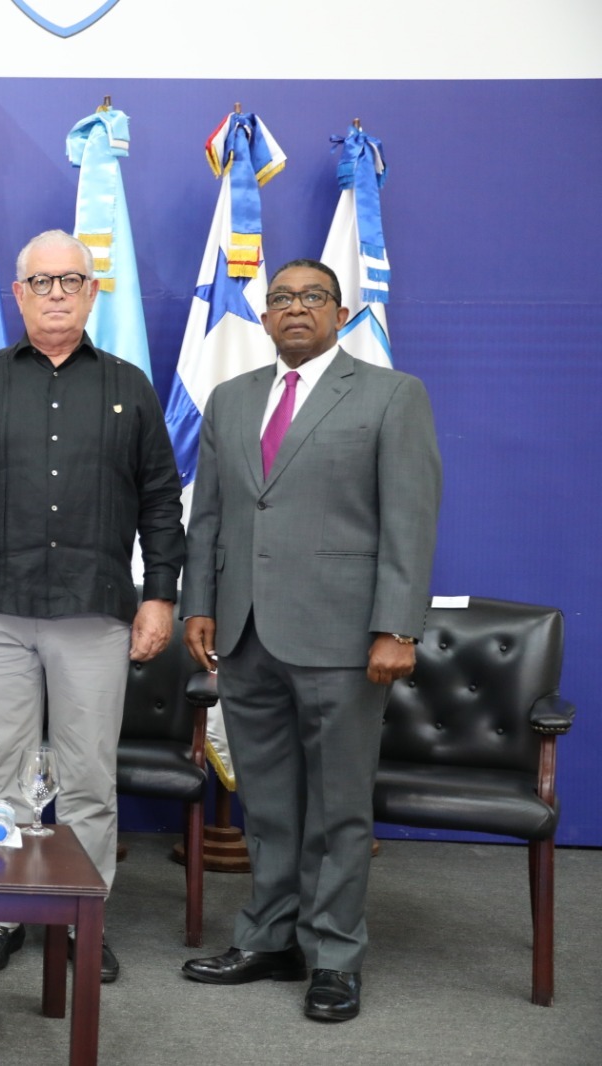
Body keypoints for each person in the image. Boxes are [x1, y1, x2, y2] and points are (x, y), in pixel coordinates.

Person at [0, 229, 184, 982]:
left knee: (89, 778)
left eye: (70, 280)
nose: (56, 293)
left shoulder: (131, 386)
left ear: (92, 292)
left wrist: (160, 596)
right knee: (1, 771)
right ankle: (2, 912)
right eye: (41, 281)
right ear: (19, 293)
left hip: (95, 614)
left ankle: (80, 920)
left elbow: (163, 505)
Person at [178, 258, 442, 1022]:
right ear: (265, 317)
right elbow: (211, 515)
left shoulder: (392, 395)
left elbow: (410, 519)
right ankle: (269, 939)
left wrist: (397, 627)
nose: (296, 308)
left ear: (340, 312)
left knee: (337, 809)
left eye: (313, 297)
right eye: (282, 298)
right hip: (245, 633)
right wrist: (200, 605)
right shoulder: (231, 399)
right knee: (266, 804)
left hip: (343, 637)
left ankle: (334, 957)